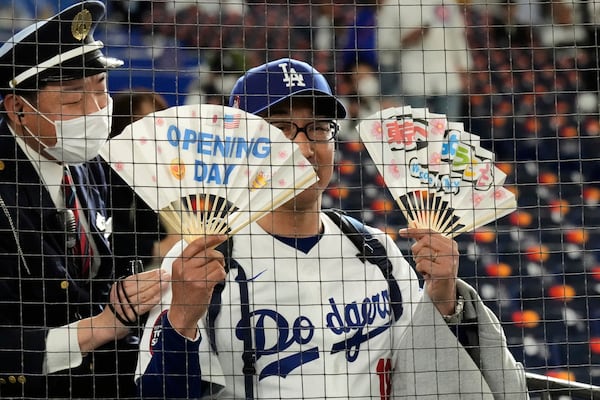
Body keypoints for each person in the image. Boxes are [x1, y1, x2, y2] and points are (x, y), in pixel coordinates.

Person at [136, 58, 530, 399]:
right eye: (281, 128)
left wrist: (444, 298)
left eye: (318, 127)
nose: (305, 147)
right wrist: (181, 322)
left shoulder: (377, 250)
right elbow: (158, 393)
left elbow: (427, 372)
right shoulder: (202, 259)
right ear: (241, 145)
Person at [0, 2, 223, 397]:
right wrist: (102, 325)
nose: (95, 112)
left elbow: (103, 270)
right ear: (18, 108)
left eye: (102, 90)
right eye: (71, 101)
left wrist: (128, 291)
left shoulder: (90, 163)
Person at [377, 0, 471, 121]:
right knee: (418, 133)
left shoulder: (447, 2)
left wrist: (465, 67)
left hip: (448, 77)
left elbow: (458, 35)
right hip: (414, 80)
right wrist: (405, 40)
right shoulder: (393, 5)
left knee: (450, 131)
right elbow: (382, 45)